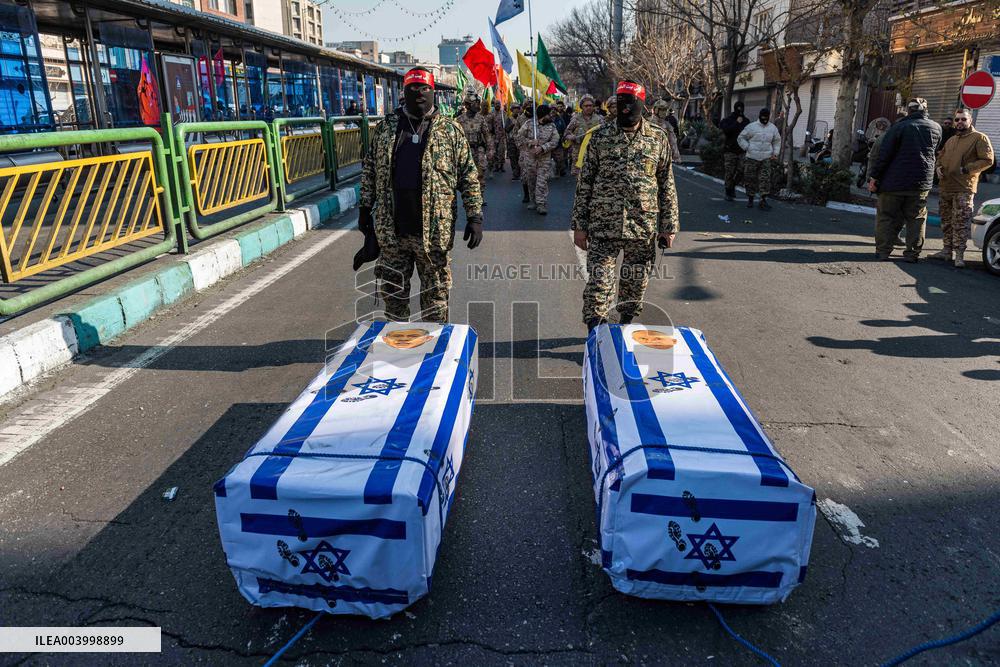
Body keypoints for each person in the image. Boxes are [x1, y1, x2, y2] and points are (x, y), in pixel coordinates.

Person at [355, 67, 484, 322]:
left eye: (424, 88)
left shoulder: (450, 130)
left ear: (432, 91)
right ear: (404, 92)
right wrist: (364, 211)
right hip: (393, 233)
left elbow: (468, 175)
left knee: (435, 302)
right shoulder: (386, 129)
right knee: (393, 300)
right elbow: (369, 171)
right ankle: (398, 350)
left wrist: (475, 216)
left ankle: (433, 353)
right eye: (413, 89)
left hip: (434, 234)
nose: (419, 94)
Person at [571, 80, 679, 331]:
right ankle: (595, 335)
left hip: (642, 228)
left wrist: (669, 226)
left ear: (642, 104)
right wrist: (579, 225)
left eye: (630, 103)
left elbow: (666, 185)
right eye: (620, 102)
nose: (625, 108)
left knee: (634, 286)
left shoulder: (657, 138)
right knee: (599, 287)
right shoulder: (599, 137)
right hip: (602, 227)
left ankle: (624, 327)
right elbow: (584, 183)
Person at [867, 98, 942, 263]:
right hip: (921, 184)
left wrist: (874, 177)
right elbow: (934, 152)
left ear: (909, 110)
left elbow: (884, 155)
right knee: (917, 218)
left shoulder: (899, 127)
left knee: (886, 216)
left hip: (893, 183)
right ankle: (912, 254)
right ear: (925, 110)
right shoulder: (936, 128)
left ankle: (883, 252)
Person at [929, 108, 995, 267]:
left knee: (960, 222)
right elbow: (940, 157)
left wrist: (967, 169)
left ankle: (959, 255)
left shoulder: (979, 138)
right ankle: (946, 250)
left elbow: (988, 160)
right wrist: (938, 167)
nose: (959, 122)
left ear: (970, 120)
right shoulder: (952, 140)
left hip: (963, 188)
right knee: (946, 221)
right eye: (957, 120)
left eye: (963, 119)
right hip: (946, 187)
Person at [517, 104, 560, 215]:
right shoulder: (529, 124)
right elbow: (518, 137)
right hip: (530, 158)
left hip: (544, 159)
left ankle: (541, 203)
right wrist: (530, 142)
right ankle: (533, 201)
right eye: (549, 114)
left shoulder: (552, 126)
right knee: (531, 180)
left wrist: (543, 147)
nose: (551, 116)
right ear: (543, 115)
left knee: (542, 181)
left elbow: (555, 141)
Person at [737, 107, 781, 210]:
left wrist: (775, 152)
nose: (764, 119)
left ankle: (763, 200)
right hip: (752, 157)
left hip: (766, 158)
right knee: (750, 179)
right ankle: (750, 199)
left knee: (765, 179)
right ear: (759, 116)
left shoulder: (773, 128)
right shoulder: (751, 127)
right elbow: (741, 138)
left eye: (766, 117)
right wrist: (747, 147)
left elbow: (777, 141)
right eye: (763, 117)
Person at [457, 91, 491, 201]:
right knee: (468, 176)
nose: (477, 106)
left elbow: (487, 135)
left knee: (480, 173)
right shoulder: (460, 120)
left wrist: (491, 150)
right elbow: (456, 138)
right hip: (466, 152)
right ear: (467, 105)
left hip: (479, 150)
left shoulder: (480, 118)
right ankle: (471, 198)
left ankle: (481, 197)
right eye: (474, 103)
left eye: (478, 103)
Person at [564, 94, 602, 176]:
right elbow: (566, 133)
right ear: (581, 107)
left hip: (595, 153)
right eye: (586, 106)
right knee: (579, 179)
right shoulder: (575, 119)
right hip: (578, 153)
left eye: (591, 105)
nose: (589, 108)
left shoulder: (599, 119)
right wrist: (570, 136)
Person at [719, 102, 750, 201]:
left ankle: (732, 186)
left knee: (741, 171)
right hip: (730, 150)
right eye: (738, 108)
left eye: (742, 108)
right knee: (729, 172)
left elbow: (750, 134)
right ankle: (728, 191)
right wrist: (736, 123)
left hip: (742, 151)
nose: (740, 110)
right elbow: (726, 130)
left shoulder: (746, 121)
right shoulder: (728, 120)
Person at [489, 100, 507, 173]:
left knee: (502, 151)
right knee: (494, 152)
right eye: (496, 104)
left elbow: (506, 124)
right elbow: (489, 124)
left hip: (502, 136)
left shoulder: (503, 114)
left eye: (499, 104)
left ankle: (501, 166)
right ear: (494, 105)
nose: (497, 105)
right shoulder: (491, 114)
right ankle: (496, 166)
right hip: (494, 136)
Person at [505, 102, 522, 180]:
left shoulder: (521, 118)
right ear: (512, 110)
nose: (516, 111)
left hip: (519, 140)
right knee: (513, 157)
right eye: (515, 109)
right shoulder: (509, 119)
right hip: (511, 141)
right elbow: (506, 129)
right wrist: (513, 125)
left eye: (517, 109)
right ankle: (515, 173)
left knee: (520, 157)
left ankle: (520, 172)